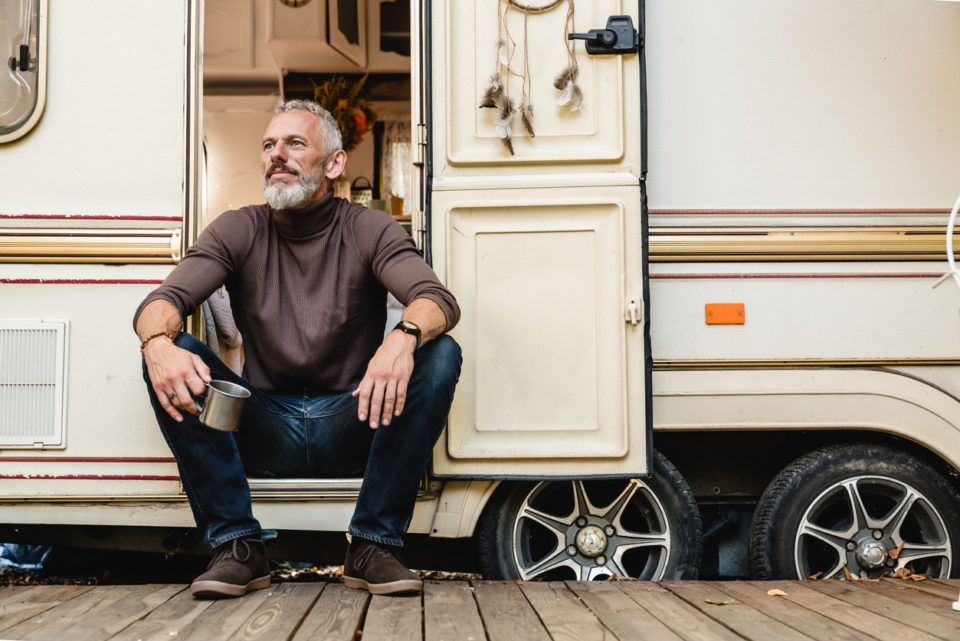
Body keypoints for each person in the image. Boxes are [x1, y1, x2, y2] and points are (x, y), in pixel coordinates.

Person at [134, 99, 461, 598]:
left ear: (333, 164)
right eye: (269, 145)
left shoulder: (368, 228)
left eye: (294, 143)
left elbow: (436, 300)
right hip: (262, 424)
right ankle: (237, 546)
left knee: (439, 354)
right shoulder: (237, 227)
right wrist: (157, 343)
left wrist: (403, 338)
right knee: (168, 350)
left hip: (354, 420)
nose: (276, 155)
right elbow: (163, 302)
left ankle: (372, 546)